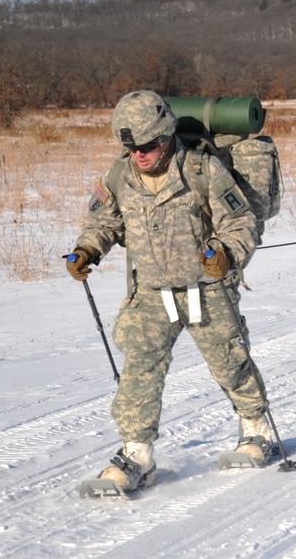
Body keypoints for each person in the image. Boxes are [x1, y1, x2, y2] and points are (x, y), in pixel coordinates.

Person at [65, 90, 272, 492]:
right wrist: (87, 249)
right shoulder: (119, 175)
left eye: (146, 145)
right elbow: (104, 222)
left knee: (230, 362)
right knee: (139, 368)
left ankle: (256, 430)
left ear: (165, 135)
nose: (138, 154)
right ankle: (137, 456)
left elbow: (241, 220)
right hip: (152, 291)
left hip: (206, 287)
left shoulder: (202, 169)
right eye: (130, 147)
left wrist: (227, 253)